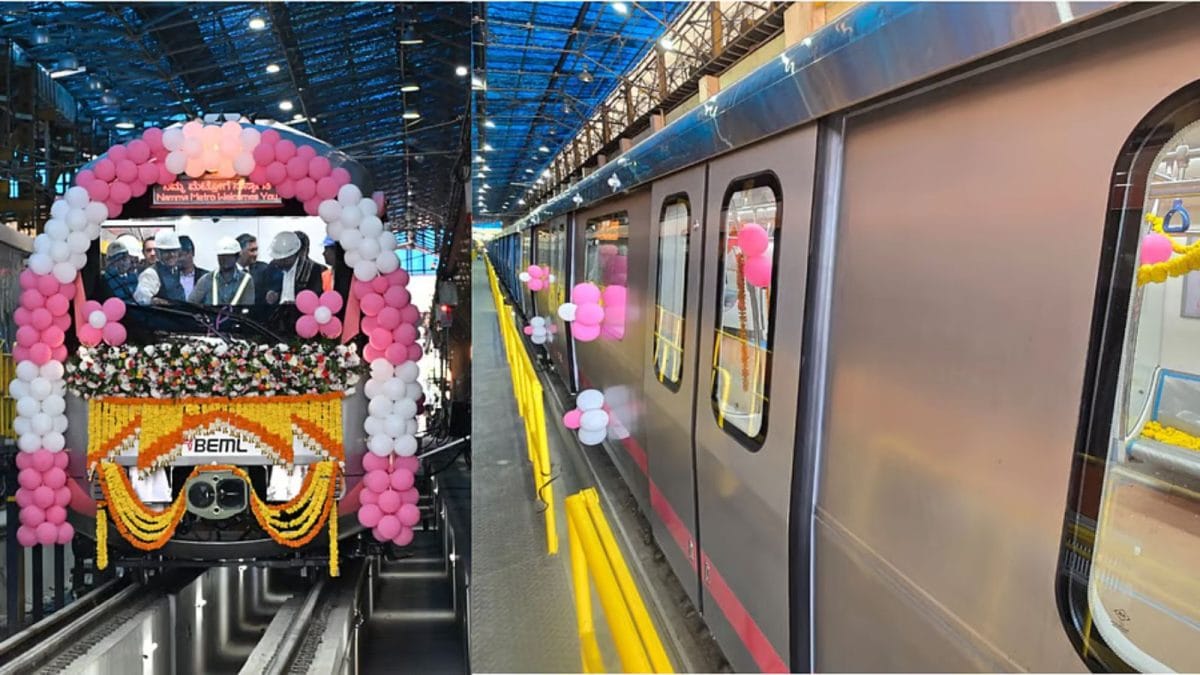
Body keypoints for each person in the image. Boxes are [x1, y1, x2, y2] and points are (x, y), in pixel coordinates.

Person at [189, 237, 254, 305]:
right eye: (222, 256)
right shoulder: (206, 280)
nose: (225, 259)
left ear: (237, 256)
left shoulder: (246, 280)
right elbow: (190, 305)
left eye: (229, 256)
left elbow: (247, 306)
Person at [262, 231, 322, 304]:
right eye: (278, 259)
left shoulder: (311, 269)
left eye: (285, 259)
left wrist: (295, 303)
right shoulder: (272, 267)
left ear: (295, 254)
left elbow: (315, 297)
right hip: (277, 310)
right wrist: (270, 296)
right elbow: (264, 291)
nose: (281, 262)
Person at [133, 231, 186, 305]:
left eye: (174, 251)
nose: (171, 255)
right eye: (167, 251)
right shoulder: (151, 273)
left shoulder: (175, 270)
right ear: (158, 252)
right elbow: (141, 298)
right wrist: (155, 301)